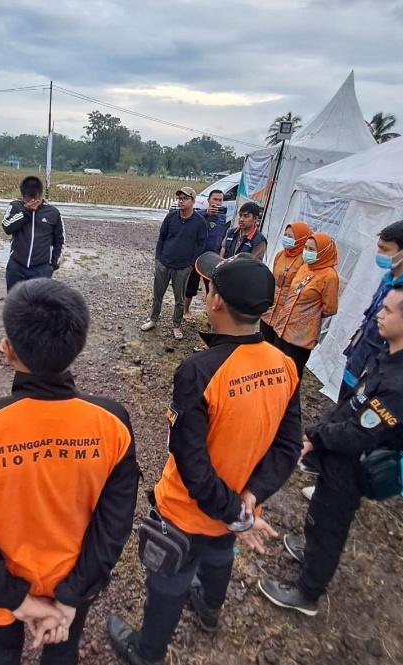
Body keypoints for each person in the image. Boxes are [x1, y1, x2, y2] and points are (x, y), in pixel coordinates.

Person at [107, 253, 302, 665]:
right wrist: (248, 499)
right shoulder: (284, 365)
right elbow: (288, 446)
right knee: (218, 556)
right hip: (236, 506)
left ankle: (148, 652)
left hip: (187, 512)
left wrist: (236, 511)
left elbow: (191, 462)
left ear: (215, 301)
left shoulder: (199, 370)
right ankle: (210, 610)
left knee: (170, 581)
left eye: (210, 286)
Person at [0, 279, 139, 665]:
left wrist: (17, 600)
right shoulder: (112, 422)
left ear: (7, 350)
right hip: (72, 589)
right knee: (62, 653)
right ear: (77, 349)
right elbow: (113, 525)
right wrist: (66, 597)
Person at [259, 281, 403, 616]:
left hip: (353, 466)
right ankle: (311, 551)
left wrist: (315, 437)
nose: (378, 316)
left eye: (387, 310)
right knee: (319, 515)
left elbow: (358, 434)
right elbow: (352, 405)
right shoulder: (389, 356)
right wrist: (318, 433)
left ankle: (306, 592)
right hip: (339, 455)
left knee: (329, 524)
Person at [340, 220, 403, 400]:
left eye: (385, 250)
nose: (379, 254)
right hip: (356, 361)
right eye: (379, 248)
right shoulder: (388, 278)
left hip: (373, 374)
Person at [140, 187, 207, 340]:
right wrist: (158, 259)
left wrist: (190, 264)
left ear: (193, 201)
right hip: (164, 263)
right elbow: (162, 238)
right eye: (179, 198)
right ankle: (153, 319)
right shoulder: (170, 217)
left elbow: (201, 244)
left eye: (185, 198)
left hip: (183, 267)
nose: (181, 201)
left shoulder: (199, 222)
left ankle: (176, 325)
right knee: (158, 295)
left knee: (179, 300)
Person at [271, 232, 339, 381]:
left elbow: (330, 308)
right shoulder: (304, 267)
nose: (307, 252)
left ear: (324, 251)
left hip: (301, 335)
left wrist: (308, 314)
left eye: (312, 249)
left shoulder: (330, 276)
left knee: (291, 373)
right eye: (306, 248)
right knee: (275, 366)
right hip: (283, 326)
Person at [1, 176, 66, 291]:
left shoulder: (52, 213)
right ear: (23, 196)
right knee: (15, 303)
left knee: (39, 305)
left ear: (40, 196)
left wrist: (53, 265)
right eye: (28, 200)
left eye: (35, 199)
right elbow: (7, 227)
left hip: (41, 269)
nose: (31, 202)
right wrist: (26, 211)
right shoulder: (16, 207)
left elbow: (60, 240)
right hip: (17, 267)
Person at [260, 221, 312, 344]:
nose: (286, 239)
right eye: (285, 235)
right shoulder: (280, 255)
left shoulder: (305, 261)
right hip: (270, 308)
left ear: (301, 239)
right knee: (263, 343)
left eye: (291, 237)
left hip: (287, 313)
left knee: (277, 348)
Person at [182, 189, 230, 323]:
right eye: (215, 199)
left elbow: (222, 236)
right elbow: (191, 224)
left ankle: (211, 316)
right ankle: (185, 311)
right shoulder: (199, 215)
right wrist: (206, 214)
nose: (218, 202)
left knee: (213, 287)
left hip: (213, 257)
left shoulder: (222, 217)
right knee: (191, 285)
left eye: (220, 200)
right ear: (209, 200)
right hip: (197, 255)